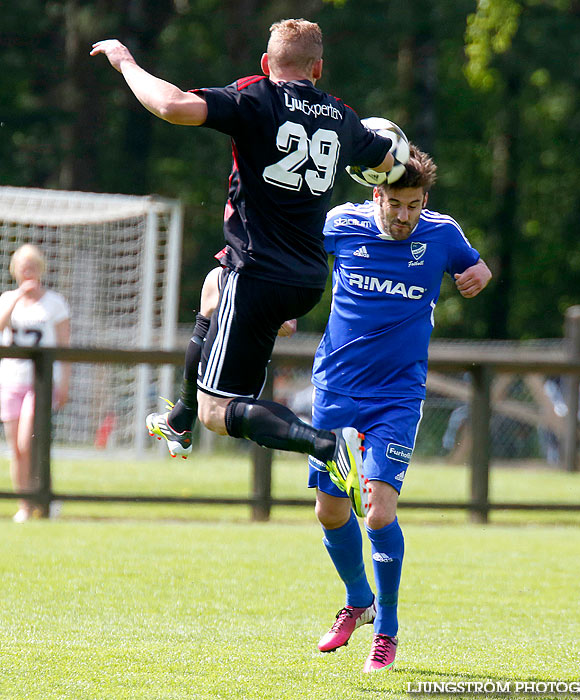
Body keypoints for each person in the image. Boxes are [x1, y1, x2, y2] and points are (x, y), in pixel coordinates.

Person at [91, 19, 396, 507]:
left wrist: (125, 62)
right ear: (319, 68)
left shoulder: (257, 95)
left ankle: (325, 445)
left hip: (258, 275)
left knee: (223, 412)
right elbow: (392, 163)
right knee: (214, 284)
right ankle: (179, 421)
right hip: (307, 279)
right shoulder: (342, 117)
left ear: (265, 64)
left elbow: (171, 105)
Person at [307, 145, 492, 672]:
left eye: (414, 204)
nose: (405, 215)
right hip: (337, 390)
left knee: (379, 511)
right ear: (376, 194)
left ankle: (385, 630)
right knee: (330, 508)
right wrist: (281, 309)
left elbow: (474, 269)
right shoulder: (341, 224)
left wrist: (478, 276)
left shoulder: (443, 233)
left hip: (397, 396)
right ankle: (357, 600)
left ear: (424, 200)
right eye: (395, 203)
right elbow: (296, 262)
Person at [0, 245, 71, 522]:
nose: (28, 271)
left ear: (41, 268)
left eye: (32, 266)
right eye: (23, 266)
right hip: (11, 381)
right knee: (15, 449)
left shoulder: (55, 303)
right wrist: (18, 297)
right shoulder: (7, 299)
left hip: (42, 383)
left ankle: (42, 495)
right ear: (15, 269)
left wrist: (64, 383)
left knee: (28, 442)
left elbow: (66, 347)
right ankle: (25, 505)